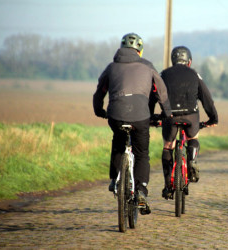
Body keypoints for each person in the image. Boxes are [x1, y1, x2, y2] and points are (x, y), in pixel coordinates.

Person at [93, 33, 172, 212]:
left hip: (116, 113)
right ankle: (141, 190)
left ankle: (114, 179)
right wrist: (166, 114)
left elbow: (100, 91)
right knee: (141, 153)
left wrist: (99, 111)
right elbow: (161, 91)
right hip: (140, 115)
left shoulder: (111, 67)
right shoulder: (148, 67)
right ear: (140, 51)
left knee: (118, 144)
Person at [150, 46, 218, 200]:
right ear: (189, 61)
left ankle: (168, 185)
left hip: (170, 116)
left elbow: (154, 95)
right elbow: (206, 98)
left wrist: (151, 116)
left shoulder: (164, 74)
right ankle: (192, 160)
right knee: (193, 138)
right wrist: (213, 118)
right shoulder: (194, 75)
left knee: (168, 146)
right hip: (191, 115)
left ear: (173, 60)